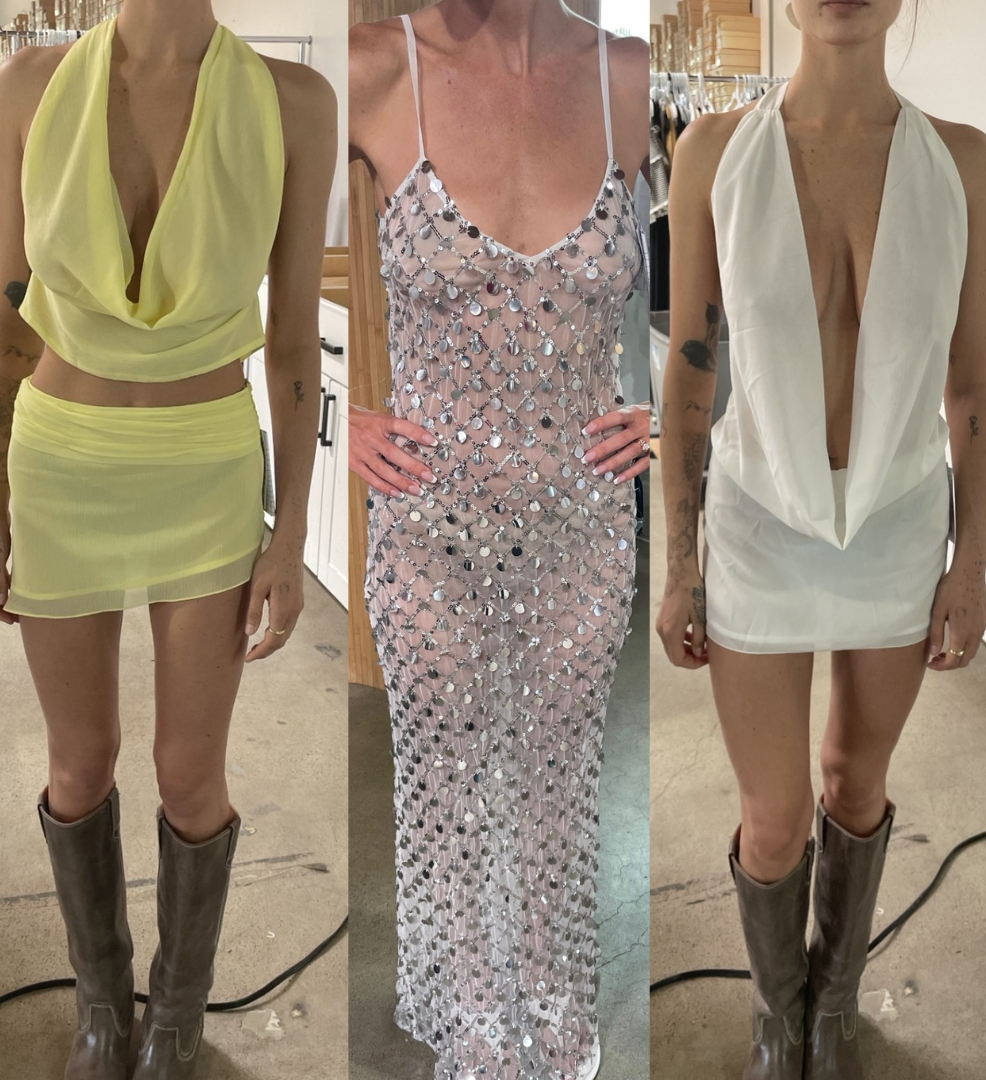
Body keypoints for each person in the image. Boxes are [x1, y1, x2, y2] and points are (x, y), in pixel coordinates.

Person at [0, 2, 336, 1076]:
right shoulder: (29, 86)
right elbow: (14, 306)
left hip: (206, 468)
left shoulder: (294, 103)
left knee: (190, 773)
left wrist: (291, 535)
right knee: (79, 761)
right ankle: (100, 1005)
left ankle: (175, 1016)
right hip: (59, 459)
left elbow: (294, 337)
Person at [653, 1, 986, 1077]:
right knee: (774, 817)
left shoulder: (963, 164)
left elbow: (969, 385)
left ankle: (834, 1005)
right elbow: (691, 371)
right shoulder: (712, 153)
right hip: (759, 523)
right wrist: (679, 564)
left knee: (856, 781)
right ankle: (777, 1013)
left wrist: (971, 560)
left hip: (898, 519)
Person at [347, 2, 650, 1076]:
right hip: (430, 527)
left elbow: (701, 287)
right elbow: (257, 234)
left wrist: (669, 409)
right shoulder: (375, 68)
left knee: (559, 780)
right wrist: (338, 413)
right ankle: (476, 1022)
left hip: (584, 522)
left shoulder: (624, 74)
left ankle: (556, 1005)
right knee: (448, 786)